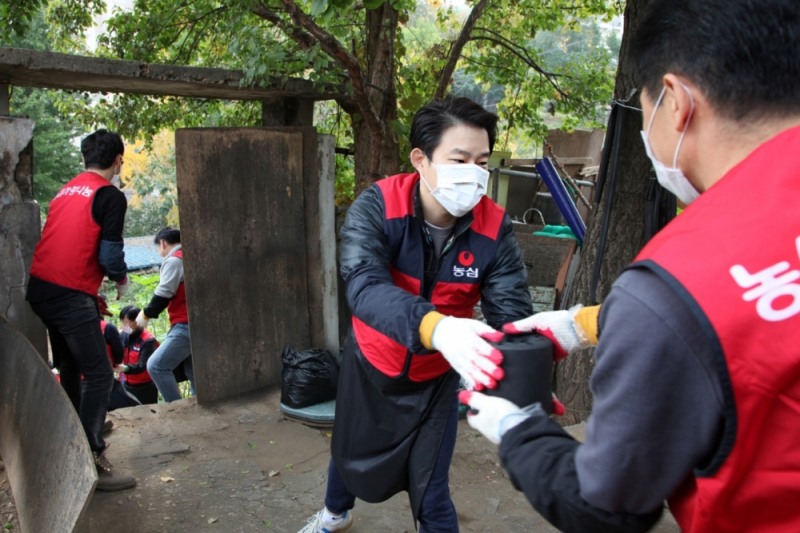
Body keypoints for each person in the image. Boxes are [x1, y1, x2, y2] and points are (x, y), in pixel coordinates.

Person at [458, 1, 800, 531]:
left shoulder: (678, 277)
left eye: (646, 109)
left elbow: (607, 508)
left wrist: (518, 427)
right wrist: (582, 324)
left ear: (677, 102)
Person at [299, 97, 533, 533]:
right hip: (371, 362)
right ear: (421, 160)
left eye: (482, 162)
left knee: (431, 484)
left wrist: (522, 386)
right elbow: (365, 286)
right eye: (460, 159)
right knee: (348, 450)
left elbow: (512, 315)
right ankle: (335, 514)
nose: (475, 173)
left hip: (435, 379)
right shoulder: (378, 207)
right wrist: (436, 327)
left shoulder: (493, 227)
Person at [26, 128, 136, 491]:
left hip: (41, 289)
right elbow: (109, 254)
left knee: (70, 366)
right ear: (118, 159)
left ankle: (75, 431)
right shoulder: (109, 196)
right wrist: (122, 282)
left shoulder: (65, 190)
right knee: (100, 373)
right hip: (70, 294)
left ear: (84, 159)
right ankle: (89, 457)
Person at [137, 227, 194, 402]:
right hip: (199, 323)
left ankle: (176, 407)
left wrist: (146, 314)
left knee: (156, 366)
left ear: (162, 243)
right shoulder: (192, 256)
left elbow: (163, 293)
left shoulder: (174, 261)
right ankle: (198, 408)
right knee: (193, 370)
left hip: (185, 324)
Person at [111, 305, 159, 407]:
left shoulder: (148, 340)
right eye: (122, 322)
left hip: (145, 387)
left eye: (127, 322)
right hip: (125, 383)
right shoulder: (123, 335)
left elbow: (142, 365)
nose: (124, 325)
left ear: (137, 322)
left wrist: (125, 368)